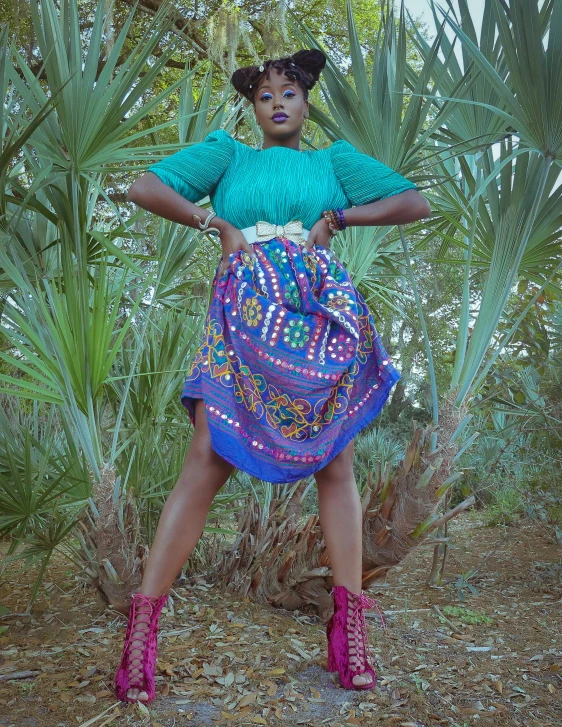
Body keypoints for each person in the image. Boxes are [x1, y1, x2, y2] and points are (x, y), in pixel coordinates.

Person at [114, 48, 431, 704]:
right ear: (253, 107)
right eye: (265, 95)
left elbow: (412, 202)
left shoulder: (331, 163)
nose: (278, 102)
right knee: (205, 454)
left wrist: (340, 217)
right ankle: (141, 636)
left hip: (314, 317)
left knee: (335, 462)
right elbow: (146, 187)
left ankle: (349, 634)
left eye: (290, 92)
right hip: (242, 313)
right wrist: (215, 221)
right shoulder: (228, 155)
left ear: (307, 100)